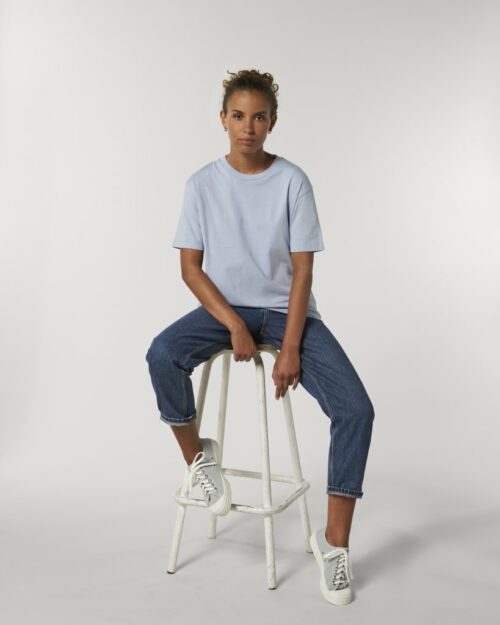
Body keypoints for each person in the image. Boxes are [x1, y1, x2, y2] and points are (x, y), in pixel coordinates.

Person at [145, 69, 375, 606]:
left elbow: (302, 271)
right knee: (163, 353)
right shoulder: (202, 184)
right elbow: (191, 268)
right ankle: (200, 460)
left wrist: (290, 347)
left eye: (259, 117)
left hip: (285, 312)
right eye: (238, 116)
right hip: (224, 309)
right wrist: (231, 324)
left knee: (356, 410)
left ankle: (335, 544)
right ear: (223, 119)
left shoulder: (292, 181)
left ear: (272, 122)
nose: (248, 126)